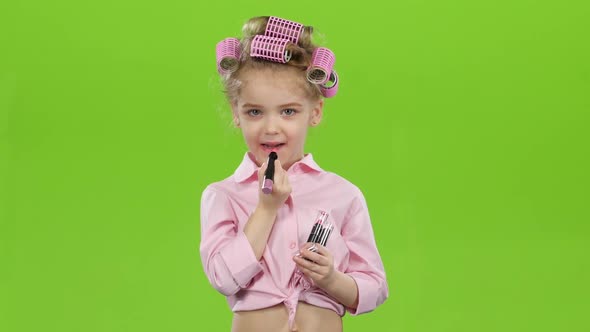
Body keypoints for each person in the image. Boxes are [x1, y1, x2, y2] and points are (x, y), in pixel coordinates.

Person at [200, 16, 388, 332]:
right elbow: (223, 277)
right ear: (236, 113)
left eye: (288, 111)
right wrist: (266, 208)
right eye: (254, 111)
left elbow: (375, 288)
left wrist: (331, 278)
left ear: (314, 112)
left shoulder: (343, 194)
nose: (271, 127)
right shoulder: (223, 195)